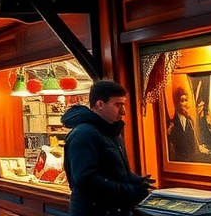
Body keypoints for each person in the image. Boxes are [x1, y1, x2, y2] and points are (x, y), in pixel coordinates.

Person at [62, 79, 155, 216]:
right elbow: (86, 180)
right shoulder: (84, 133)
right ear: (100, 104)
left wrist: (133, 179)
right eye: (118, 105)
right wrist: (129, 191)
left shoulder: (110, 131)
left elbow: (111, 169)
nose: (123, 111)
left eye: (123, 105)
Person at [167, 86, 207, 162]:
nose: (185, 103)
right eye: (182, 101)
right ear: (176, 102)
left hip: (190, 160)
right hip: (177, 161)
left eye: (186, 100)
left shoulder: (189, 120)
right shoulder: (172, 121)